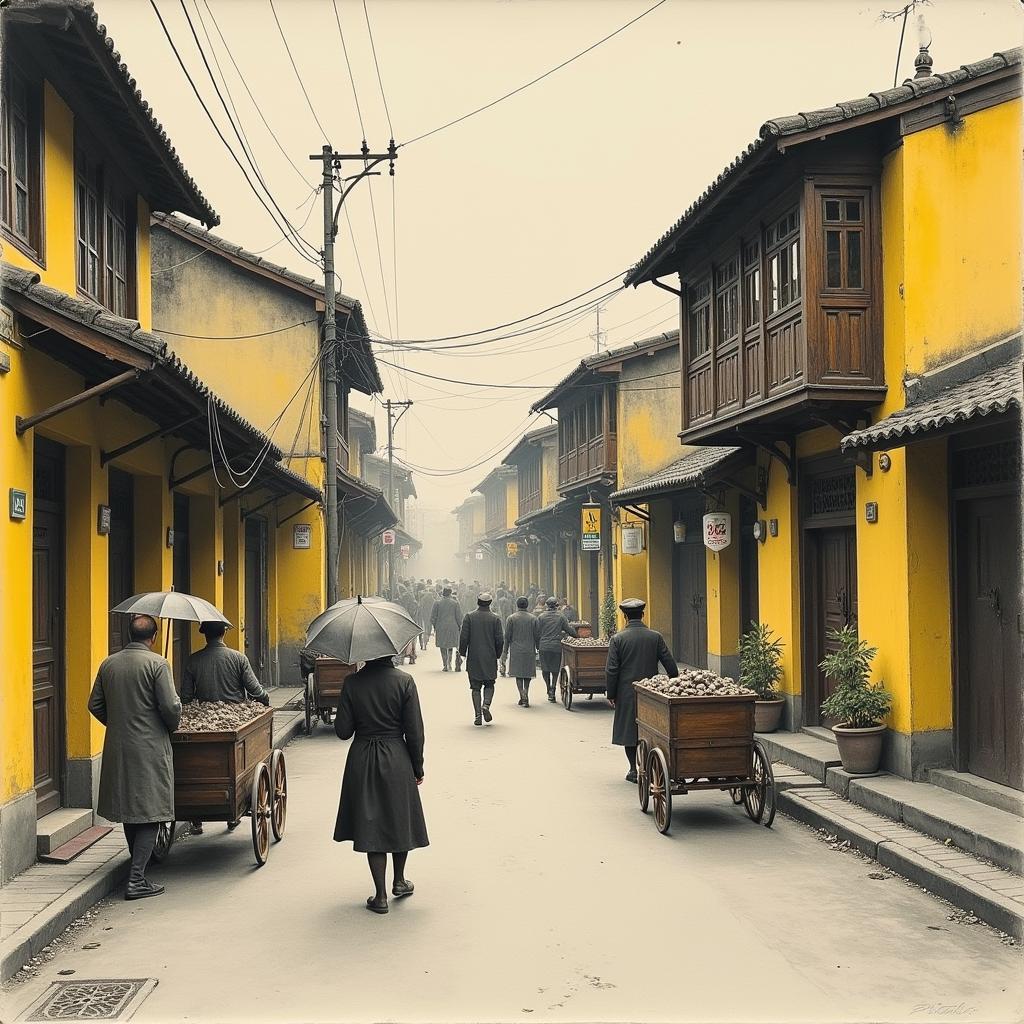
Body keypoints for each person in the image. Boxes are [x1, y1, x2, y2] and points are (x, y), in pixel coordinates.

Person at [88, 614, 181, 901]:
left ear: (130, 634)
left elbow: (95, 704)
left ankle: (137, 870)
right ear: (153, 637)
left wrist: (119, 724)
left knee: (131, 809)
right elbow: (169, 707)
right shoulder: (158, 664)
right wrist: (172, 718)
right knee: (151, 811)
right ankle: (137, 879)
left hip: (118, 746)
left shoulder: (108, 664)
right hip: (149, 747)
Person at [334, 655, 428, 915]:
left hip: (362, 758)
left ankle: (380, 896)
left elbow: (343, 731)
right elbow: (415, 731)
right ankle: (399, 880)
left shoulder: (352, 682)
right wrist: (417, 767)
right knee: (398, 817)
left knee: (371, 822)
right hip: (397, 757)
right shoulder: (405, 681)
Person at [182, 620, 269, 834]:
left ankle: (197, 816)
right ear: (223, 634)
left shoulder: (193, 661)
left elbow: (185, 696)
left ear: (205, 635)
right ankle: (235, 806)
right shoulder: (238, 658)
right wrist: (265, 699)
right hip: (235, 719)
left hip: (202, 721)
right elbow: (254, 689)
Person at [606, 598, 679, 783]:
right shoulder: (655, 637)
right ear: (643, 615)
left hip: (627, 691)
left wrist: (611, 693)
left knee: (630, 731)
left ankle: (633, 769)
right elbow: (669, 662)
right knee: (651, 728)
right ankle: (650, 764)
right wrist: (675, 682)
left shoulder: (618, 639)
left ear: (625, 617)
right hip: (650, 691)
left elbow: (612, 669)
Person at [458, 593, 504, 726]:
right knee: (490, 683)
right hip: (489, 656)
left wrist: (462, 652)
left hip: (474, 657)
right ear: (490, 603)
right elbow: (500, 640)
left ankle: (478, 715)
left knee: (475, 686)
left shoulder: (469, 617)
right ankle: (486, 706)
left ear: (477, 602)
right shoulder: (495, 619)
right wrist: (497, 654)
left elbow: (464, 637)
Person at [503, 597, 541, 708]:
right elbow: (537, 635)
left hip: (516, 650)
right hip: (529, 649)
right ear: (527, 605)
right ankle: (526, 692)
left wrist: (505, 652)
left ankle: (522, 694)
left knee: (518, 674)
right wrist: (538, 648)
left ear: (517, 605)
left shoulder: (511, 618)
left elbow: (507, 637)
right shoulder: (533, 619)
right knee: (527, 674)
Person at [537, 596, 576, 702]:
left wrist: (537, 646)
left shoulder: (541, 617)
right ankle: (553, 690)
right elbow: (568, 629)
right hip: (556, 647)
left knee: (545, 670)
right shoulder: (561, 616)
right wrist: (577, 635)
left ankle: (548, 688)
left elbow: (537, 633)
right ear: (557, 606)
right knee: (555, 670)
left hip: (544, 647)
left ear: (546, 605)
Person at [431, 586, 463, 671]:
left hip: (441, 627)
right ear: (450, 594)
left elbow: (433, 617)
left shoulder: (437, 603)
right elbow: (459, 617)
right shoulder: (455, 603)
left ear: (442, 593)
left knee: (443, 646)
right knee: (451, 645)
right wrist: (460, 626)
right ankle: (449, 663)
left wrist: (435, 625)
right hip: (453, 627)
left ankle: (445, 664)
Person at [417, 585, 436, 651]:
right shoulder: (433, 601)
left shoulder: (422, 600)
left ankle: (422, 644)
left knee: (422, 630)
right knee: (428, 629)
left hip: (422, 617)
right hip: (429, 617)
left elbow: (419, 608)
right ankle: (426, 642)